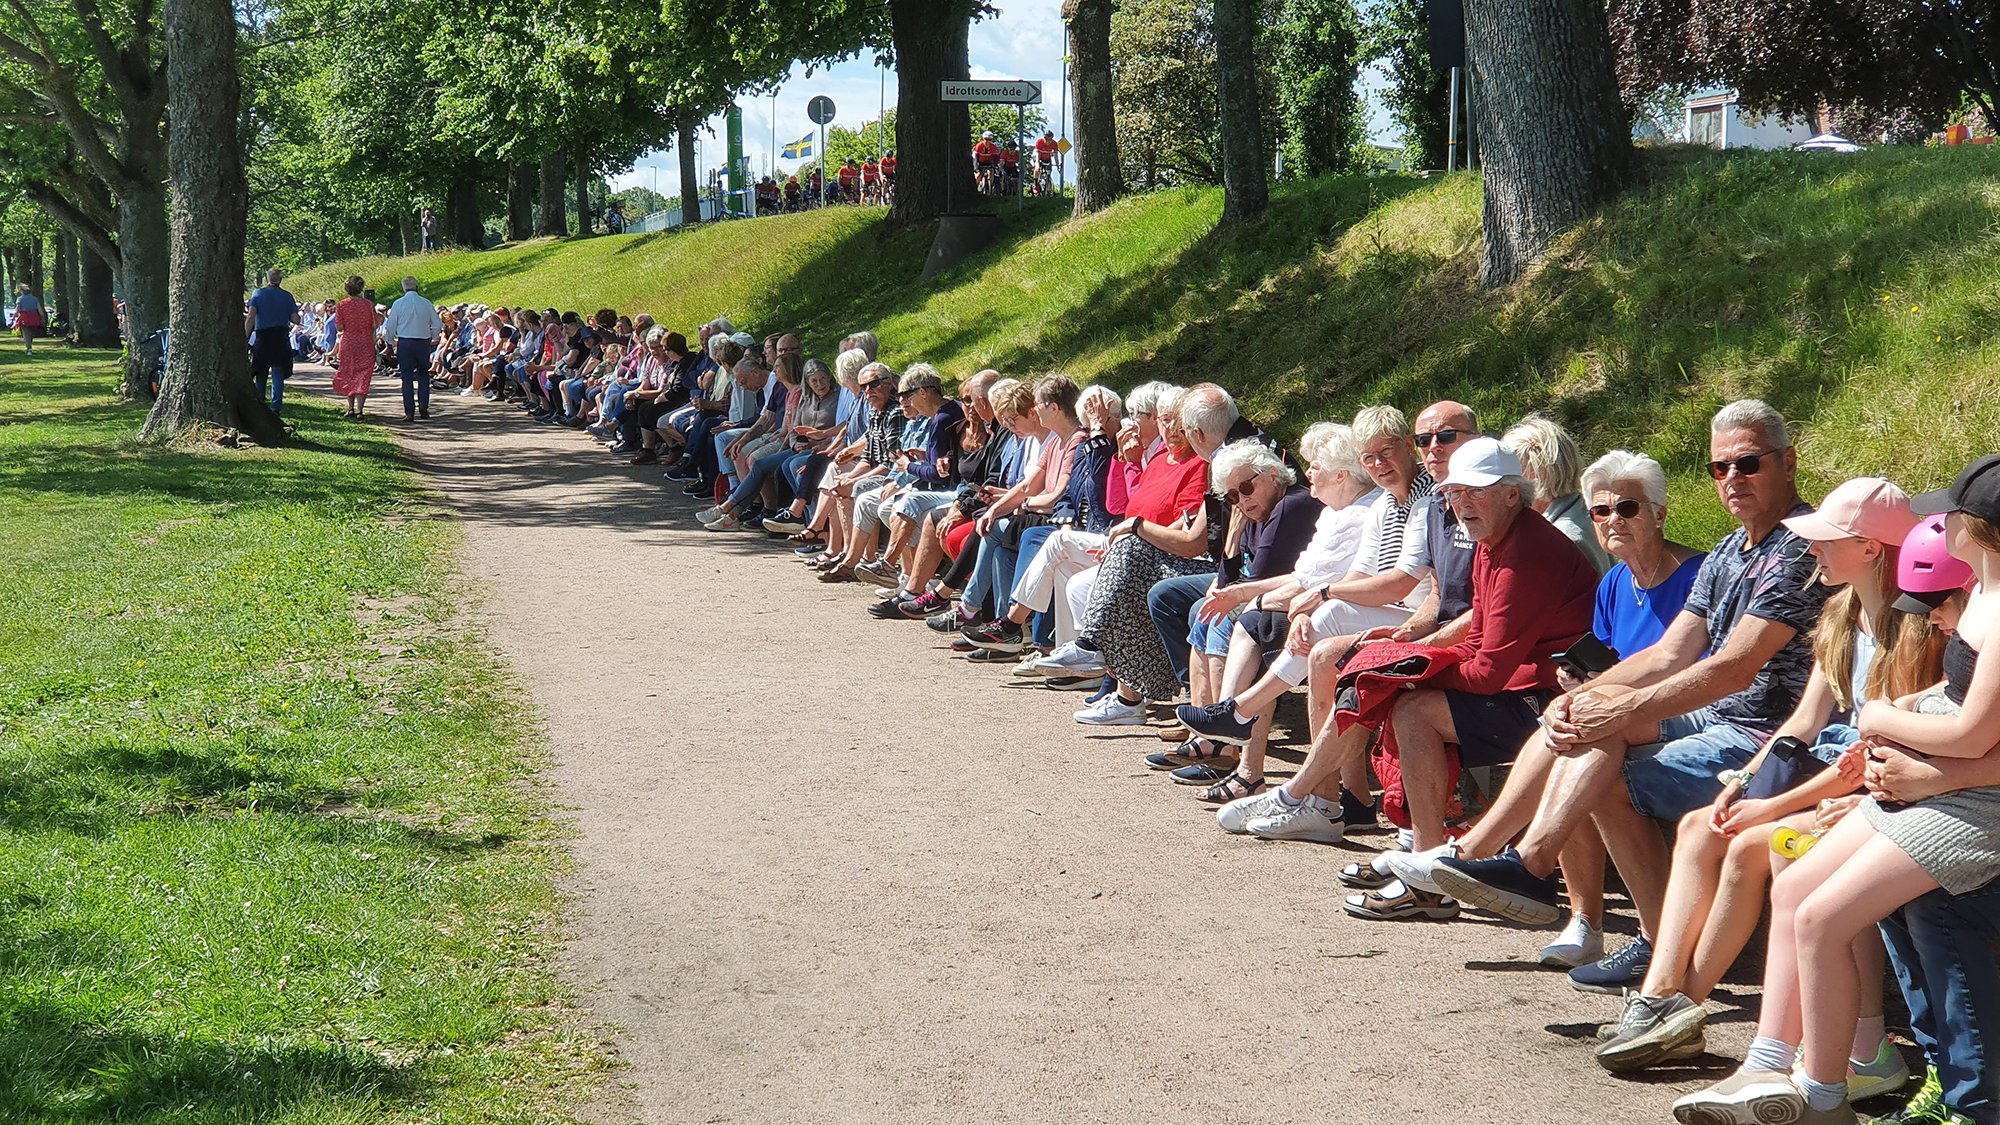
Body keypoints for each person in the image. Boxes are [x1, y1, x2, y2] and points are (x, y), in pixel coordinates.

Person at [1421, 400, 1829, 991]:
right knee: (1577, 715)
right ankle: (1519, 867)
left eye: (1748, 464)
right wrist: (1589, 693)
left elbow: (1736, 668)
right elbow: (1668, 655)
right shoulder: (1728, 551)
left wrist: (1619, 704)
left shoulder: (1798, 550)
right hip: (1716, 716)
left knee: (1605, 769)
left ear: (1787, 464)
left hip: (1767, 735)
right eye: (1721, 468)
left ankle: (1582, 897)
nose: (1733, 480)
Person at [1673, 457, 2000, 1125]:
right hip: (1935, 781)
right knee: (1793, 887)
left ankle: (1823, 1096)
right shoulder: (1977, 597)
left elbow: (1973, 735)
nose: (1935, 523)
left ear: (1980, 528)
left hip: (1972, 804)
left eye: (1953, 513)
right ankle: (1769, 1062)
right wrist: (1908, 727)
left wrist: (1882, 720)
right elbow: (1962, 700)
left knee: (1824, 916)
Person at [1596, 478, 1928, 1081]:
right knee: (1704, 822)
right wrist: (1743, 781)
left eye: (1827, 541)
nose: (1814, 551)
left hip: (1863, 779)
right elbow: (1804, 722)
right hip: (1824, 763)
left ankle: (1682, 1013)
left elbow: (1870, 752)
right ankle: (1663, 998)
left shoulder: (1911, 632)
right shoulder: (1841, 614)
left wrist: (1769, 808)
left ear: (1873, 549)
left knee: (1753, 841)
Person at [382, 275, 443, 422]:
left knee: (406, 377)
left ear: (403, 288)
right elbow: (437, 324)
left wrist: (390, 342)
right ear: (417, 287)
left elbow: (390, 326)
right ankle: (423, 404)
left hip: (405, 342)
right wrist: (431, 336)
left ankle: (409, 411)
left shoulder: (398, 303)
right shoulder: (426, 303)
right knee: (424, 375)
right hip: (423, 342)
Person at [245, 268, 299, 414]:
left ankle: (260, 404)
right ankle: (276, 407)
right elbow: (296, 319)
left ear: (267, 279)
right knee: (278, 372)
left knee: (260, 370)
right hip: (280, 337)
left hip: (263, 336)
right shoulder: (287, 296)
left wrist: (246, 336)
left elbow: (251, 316)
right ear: (280, 280)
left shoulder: (258, 294)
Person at [331, 276, 378, 417]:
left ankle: (350, 407)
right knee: (364, 374)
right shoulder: (368, 304)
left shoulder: (341, 305)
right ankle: (360, 409)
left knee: (349, 372)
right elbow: (374, 324)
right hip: (365, 342)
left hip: (349, 342)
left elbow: (339, 327)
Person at [12, 284, 45, 355]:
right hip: (34, 317)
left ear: (22, 291)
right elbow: (40, 310)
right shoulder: (35, 299)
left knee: (26, 333)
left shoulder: (20, 299)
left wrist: (12, 319)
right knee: (31, 333)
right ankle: (29, 347)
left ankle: (29, 348)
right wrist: (42, 318)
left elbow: (17, 310)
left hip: (24, 317)